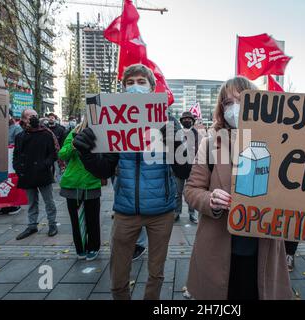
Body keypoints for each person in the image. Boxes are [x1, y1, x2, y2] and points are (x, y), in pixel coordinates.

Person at [184, 76, 305, 299]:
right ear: (221, 109)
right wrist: (210, 200)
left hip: (263, 250)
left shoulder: (282, 143)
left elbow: (293, 190)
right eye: (228, 102)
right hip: (219, 249)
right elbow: (192, 190)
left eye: (241, 100)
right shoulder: (210, 143)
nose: (234, 107)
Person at [72, 64, 185, 300]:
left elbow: (184, 170)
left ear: (153, 88)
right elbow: (103, 169)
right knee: (118, 274)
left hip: (161, 212)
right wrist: (87, 153)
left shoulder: (169, 122)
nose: (135, 87)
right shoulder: (115, 124)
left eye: (142, 82)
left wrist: (175, 142)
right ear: (123, 88)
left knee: (156, 272)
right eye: (130, 82)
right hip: (125, 211)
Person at [58, 117, 102, 261]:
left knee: (93, 219)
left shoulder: (103, 134)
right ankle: (80, 248)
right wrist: (73, 146)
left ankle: (94, 247)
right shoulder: (74, 132)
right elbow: (62, 154)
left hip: (92, 182)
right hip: (72, 184)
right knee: (75, 221)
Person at [13, 109, 59, 240]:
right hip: (27, 174)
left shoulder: (45, 134)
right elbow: (16, 155)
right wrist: (18, 169)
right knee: (32, 202)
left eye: (35, 116)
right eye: (30, 116)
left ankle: (52, 224)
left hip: (42, 173)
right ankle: (32, 225)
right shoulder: (20, 136)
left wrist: (45, 164)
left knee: (49, 201)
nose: (33, 118)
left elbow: (53, 154)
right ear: (24, 119)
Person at [173, 111, 200, 224]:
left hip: (191, 168)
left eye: (189, 119)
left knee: (191, 193)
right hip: (178, 168)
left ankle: (192, 214)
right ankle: (177, 213)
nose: (187, 121)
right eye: (185, 119)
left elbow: (199, 150)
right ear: (181, 121)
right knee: (177, 193)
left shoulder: (196, 133)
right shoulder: (177, 133)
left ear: (192, 121)